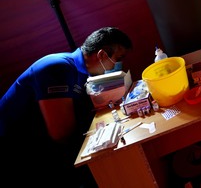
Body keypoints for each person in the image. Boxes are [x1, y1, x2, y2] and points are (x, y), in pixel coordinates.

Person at [0, 26, 133, 187]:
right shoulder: (57, 68)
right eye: (118, 59)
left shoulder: (81, 72)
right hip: (15, 148)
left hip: (37, 143)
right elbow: (61, 133)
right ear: (102, 54)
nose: (117, 65)